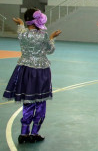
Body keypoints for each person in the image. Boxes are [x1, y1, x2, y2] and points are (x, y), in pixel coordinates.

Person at [3, 8, 61, 144]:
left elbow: (22, 29)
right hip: (41, 71)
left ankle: (24, 133)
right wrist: (52, 38)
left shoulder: (22, 34)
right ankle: (34, 132)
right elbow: (50, 50)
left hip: (25, 70)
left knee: (28, 101)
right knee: (40, 102)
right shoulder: (43, 36)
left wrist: (20, 24)